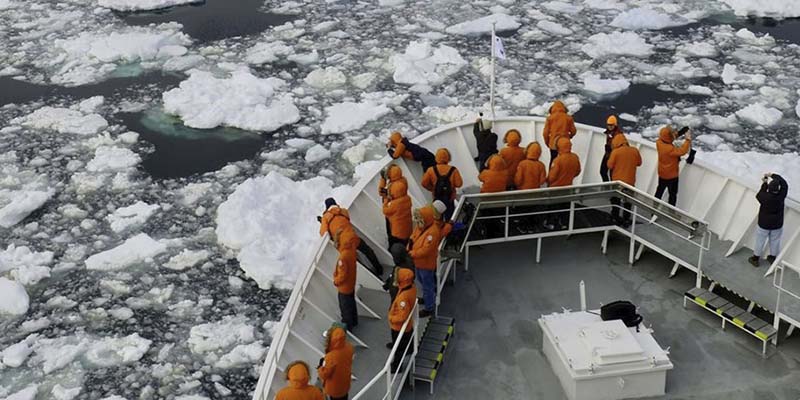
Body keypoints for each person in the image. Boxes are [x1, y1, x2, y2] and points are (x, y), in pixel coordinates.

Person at [318, 198, 384, 277]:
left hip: (343, 245)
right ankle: (379, 269)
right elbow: (346, 219)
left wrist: (322, 221)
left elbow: (323, 232)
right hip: (353, 237)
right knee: (368, 251)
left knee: (357, 262)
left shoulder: (325, 217)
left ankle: (374, 276)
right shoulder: (343, 211)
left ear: (326, 207)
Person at [408, 205, 441, 318]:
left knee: (427, 285)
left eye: (418, 219)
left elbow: (426, 250)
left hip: (426, 264)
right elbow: (413, 237)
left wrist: (411, 253)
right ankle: (428, 298)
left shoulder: (432, 232)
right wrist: (409, 246)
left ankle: (429, 307)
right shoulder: (422, 227)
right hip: (419, 262)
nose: (416, 221)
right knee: (422, 281)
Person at [749, 173, 788, 267]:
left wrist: (765, 183)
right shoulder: (781, 196)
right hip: (777, 224)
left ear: (769, 189)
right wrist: (773, 175)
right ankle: (772, 257)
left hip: (763, 224)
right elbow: (785, 184)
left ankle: (755, 258)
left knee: (760, 240)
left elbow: (759, 194)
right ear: (778, 189)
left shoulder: (764, 197)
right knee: (775, 241)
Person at [606, 134, 642, 227]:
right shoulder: (635, 151)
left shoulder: (616, 152)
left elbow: (609, 165)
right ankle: (626, 219)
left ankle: (615, 217)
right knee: (628, 202)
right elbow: (639, 163)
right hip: (630, 181)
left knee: (615, 200)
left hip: (618, 182)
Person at [547, 137, 582, 229]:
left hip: (556, 189)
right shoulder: (575, 157)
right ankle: (563, 223)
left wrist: (549, 181)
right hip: (568, 188)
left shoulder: (558, 161)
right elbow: (578, 171)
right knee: (565, 208)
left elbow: (552, 177)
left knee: (553, 207)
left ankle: (551, 223)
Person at [387, 268, 417, 371]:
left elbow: (402, 316)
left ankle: (396, 367)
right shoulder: (411, 288)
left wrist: (391, 318)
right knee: (407, 338)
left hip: (399, 327)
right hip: (408, 325)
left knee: (398, 347)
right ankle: (410, 349)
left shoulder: (403, 297)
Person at [421, 148, 463, 220]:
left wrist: (432, 189)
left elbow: (424, 183)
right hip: (450, 197)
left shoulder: (431, 170)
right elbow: (459, 184)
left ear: (436, 157)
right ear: (448, 157)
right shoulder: (453, 170)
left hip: (437, 197)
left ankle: (439, 229)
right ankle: (449, 229)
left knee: (437, 218)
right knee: (450, 218)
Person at [655, 125, 692, 206]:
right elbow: (682, 151)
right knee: (672, 194)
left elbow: (669, 138)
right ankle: (671, 211)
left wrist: (681, 132)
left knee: (659, 192)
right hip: (672, 176)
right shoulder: (670, 149)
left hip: (662, 173)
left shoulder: (659, 142)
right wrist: (688, 140)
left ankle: (654, 207)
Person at [317, 327, 354, 400]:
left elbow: (324, 375)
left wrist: (320, 368)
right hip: (345, 382)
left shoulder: (330, 357)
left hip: (335, 389)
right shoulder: (349, 347)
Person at [333, 229, 358, 330]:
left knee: (345, 308)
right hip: (351, 283)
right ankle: (354, 321)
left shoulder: (342, 258)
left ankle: (348, 326)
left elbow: (342, 276)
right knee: (352, 303)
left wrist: (336, 281)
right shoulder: (351, 249)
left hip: (344, 287)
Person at [379, 164, 409, 248]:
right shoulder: (403, 181)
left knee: (391, 232)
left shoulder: (392, 189)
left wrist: (383, 179)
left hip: (393, 214)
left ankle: (393, 247)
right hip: (403, 212)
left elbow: (381, 193)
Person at [542, 100, 577, 167]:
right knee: (564, 160)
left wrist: (548, 143)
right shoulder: (569, 118)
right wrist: (569, 136)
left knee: (553, 160)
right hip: (565, 143)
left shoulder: (550, 118)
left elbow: (545, 133)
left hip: (553, 144)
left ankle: (551, 174)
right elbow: (573, 131)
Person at [600, 115, 624, 182]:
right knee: (603, 171)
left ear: (615, 125)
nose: (610, 126)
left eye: (611, 125)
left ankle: (609, 187)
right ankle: (606, 186)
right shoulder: (609, 132)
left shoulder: (618, 135)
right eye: (608, 125)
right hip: (608, 154)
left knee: (612, 174)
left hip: (614, 155)